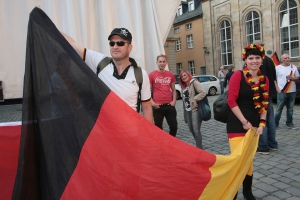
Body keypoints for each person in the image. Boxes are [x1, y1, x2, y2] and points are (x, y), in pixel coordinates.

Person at [61, 28, 153, 122]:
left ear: (129, 47)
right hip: (105, 132)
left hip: (130, 132)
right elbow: (72, 44)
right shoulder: (100, 62)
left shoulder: (140, 74)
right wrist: (47, 23)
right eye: (112, 43)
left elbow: (146, 108)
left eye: (120, 43)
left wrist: (148, 135)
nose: (115, 46)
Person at [228, 44, 269, 200]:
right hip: (237, 124)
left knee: (248, 160)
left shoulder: (264, 79)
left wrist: (262, 124)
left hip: (254, 127)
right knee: (239, 160)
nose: (254, 61)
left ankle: (247, 191)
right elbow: (231, 101)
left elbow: (265, 104)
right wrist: (244, 121)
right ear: (245, 60)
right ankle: (233, 192)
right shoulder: (238, 75)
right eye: (251, 58)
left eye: (257, 58)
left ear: (262, 59)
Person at [253, 40, 278, 155]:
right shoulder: (269, 60)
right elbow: (274, 77)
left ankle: (263, 146)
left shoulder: (257, 61)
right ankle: (273, 143)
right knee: (270, 120)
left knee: (262, 120)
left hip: (260, 93)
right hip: (269, 93)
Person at [149, 55, 177, 136]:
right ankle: (162, 145)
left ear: (166, 63)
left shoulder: (170, 74)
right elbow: (146, 91)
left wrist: (174, 101)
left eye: (164, 61)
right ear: (157, 63)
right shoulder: (152, 75)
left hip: (169, 105)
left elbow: (174, 90)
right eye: (160, 61)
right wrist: (153, 103)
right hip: (158, 106)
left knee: (174, 126)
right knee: (158, 128)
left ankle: (170, 142)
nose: (162, 63)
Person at [179, 70, 206, 149]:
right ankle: (199, 145)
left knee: (196, 129)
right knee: (191, 129)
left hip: (195, 109)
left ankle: (199, 148)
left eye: (185, 75)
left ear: (188, 75)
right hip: (188, 110)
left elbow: (203, 92)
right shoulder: (183, 87)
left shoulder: (194, 82)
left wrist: (194, 99)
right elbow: (184, 103)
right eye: (182, 76)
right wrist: (185, 117)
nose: (183, 77)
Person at [274, 54, 299, 129]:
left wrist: (292, 78)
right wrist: (277, 89)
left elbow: (298, 77)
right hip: (282, 91)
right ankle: (275, 123)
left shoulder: (293, 67)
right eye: (285, 58)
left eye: (288, 58)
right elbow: (274, 79)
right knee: (279, 108)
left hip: (292, 91)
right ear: (282, 60)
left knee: (290, 108)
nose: (287, 59)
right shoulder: (278, 68)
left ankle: (289, 122)